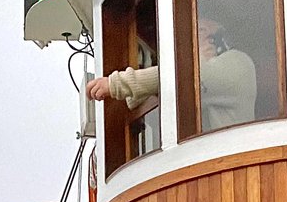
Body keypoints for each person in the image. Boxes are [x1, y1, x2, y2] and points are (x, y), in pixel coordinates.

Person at [86, 17, 257, 131]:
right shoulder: (206, 80)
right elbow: (135, 100)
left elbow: (187, 75)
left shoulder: (238, 64)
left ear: (219, 41)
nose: (193, 35)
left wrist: (116, 84)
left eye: (202, 30)